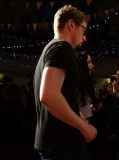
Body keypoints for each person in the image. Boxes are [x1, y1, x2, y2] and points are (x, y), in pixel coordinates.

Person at [33, 5, 97, 160]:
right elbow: (48, 96)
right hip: (62, 144)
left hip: (56, 142)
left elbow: (60, 93)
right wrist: (84, 127)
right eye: (84, 30)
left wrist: (78, 114)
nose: (84, 37)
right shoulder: (62, 47)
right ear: (71, 24)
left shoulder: (51, 48)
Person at [77, 51, 96, 124]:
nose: (92, 65)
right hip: (80, 123)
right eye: (89, 62)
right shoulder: (75, 83)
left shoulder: (85, 83)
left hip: (86, 120)